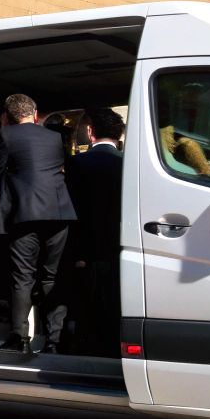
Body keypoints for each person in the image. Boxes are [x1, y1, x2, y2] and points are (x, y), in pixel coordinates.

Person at [0, 92, 75, 354]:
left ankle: (19, 337)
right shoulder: (55, 137)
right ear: (35, 114)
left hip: (25, 213)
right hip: (60, 212)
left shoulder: (5, 136)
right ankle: (55, 340)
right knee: (52, 276)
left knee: (23, 277)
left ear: (6, 117)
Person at [65, 108, 125, 356]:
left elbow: (72, 209)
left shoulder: (77, 163)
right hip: (118, 244)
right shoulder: (126, 164)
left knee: (86, 303)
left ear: (90, 132)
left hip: (86, 246)